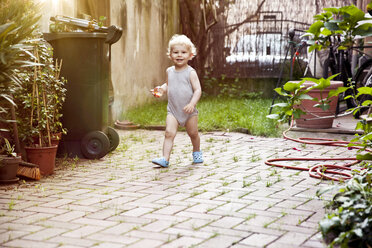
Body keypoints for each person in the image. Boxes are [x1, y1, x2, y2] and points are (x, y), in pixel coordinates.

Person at [150, 34, 203, 168]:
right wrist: (161, 89)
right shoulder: (169, 71)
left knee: (193, 133)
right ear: (170, 55)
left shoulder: (191, 72)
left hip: (189, 111)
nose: (179, 55)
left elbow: (198, 90)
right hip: (173, 110)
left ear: (190, 55)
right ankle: (165, 159)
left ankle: (196, 151)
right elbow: (169, 84)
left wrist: (192, 104)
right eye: (176, 52)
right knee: (169, 133)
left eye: (183, 52)